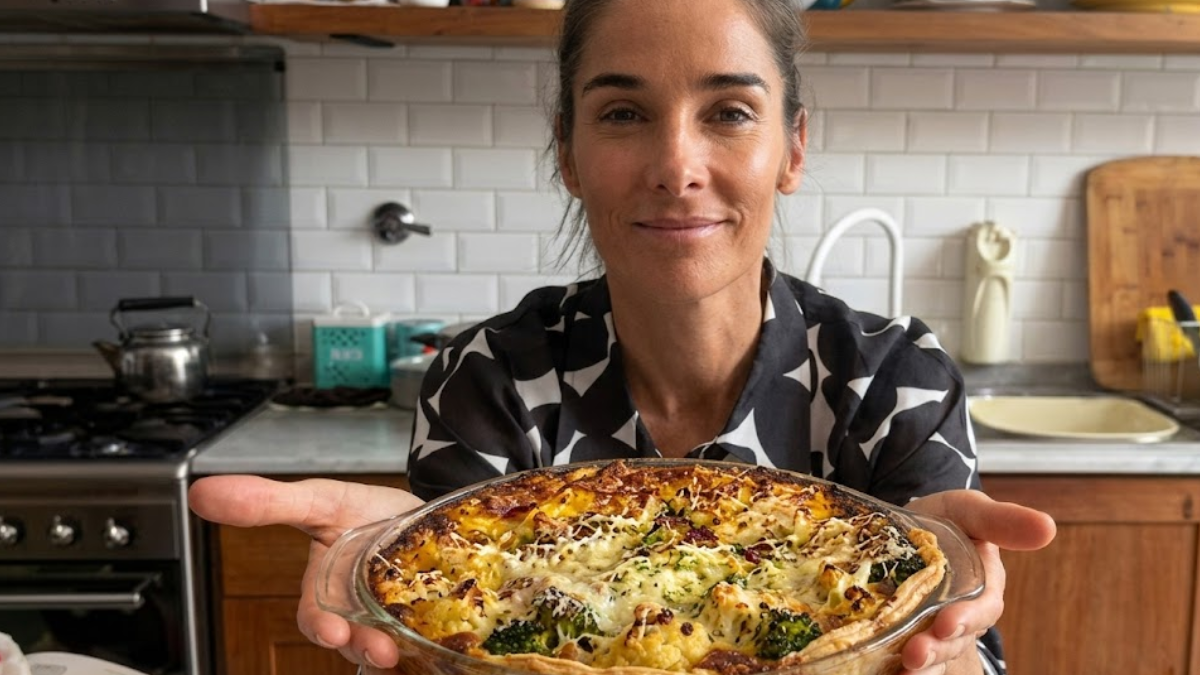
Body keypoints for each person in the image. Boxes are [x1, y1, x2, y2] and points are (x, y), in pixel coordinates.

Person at [189, 0, 1057, 673]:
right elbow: (462, 629)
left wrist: (949, 645)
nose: (676, 166)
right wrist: (407, 614)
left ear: (793, 148)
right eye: (623, 114)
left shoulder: (894, 375)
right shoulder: (488, 375)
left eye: (728, 112)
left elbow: (960, 650)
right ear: (565, 151)